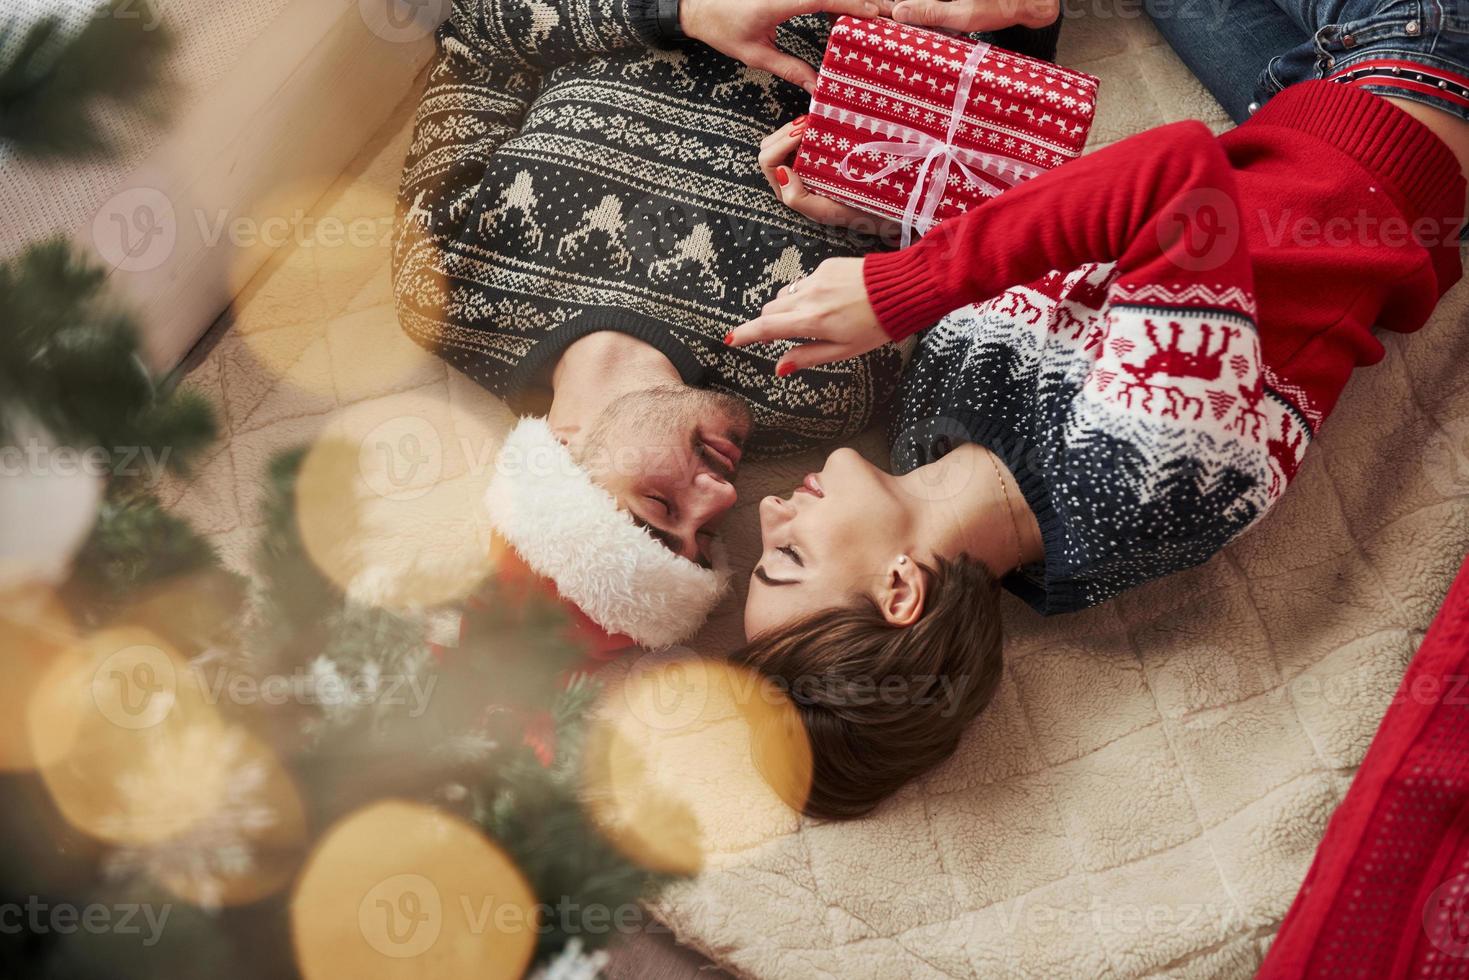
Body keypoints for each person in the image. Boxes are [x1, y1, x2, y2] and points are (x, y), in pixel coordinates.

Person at [725, 30, 1468, 816]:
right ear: (901, 588)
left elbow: (1061, 240)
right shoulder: (1135, 484)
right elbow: (1176, 178)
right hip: (1410, 86)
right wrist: (903, 286)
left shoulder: (925, 442)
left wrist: (882, 206)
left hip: (1280, 96)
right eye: (787, 557)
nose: (768, 511)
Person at [391, 0, 1063, 646]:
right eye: (704, 539)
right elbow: (984, 191)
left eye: (659, 509)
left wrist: (681, 11)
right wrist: (873, 202)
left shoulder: (445, 288)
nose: (720, 500)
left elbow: (477, 31)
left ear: (561, 455)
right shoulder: (816, 390)